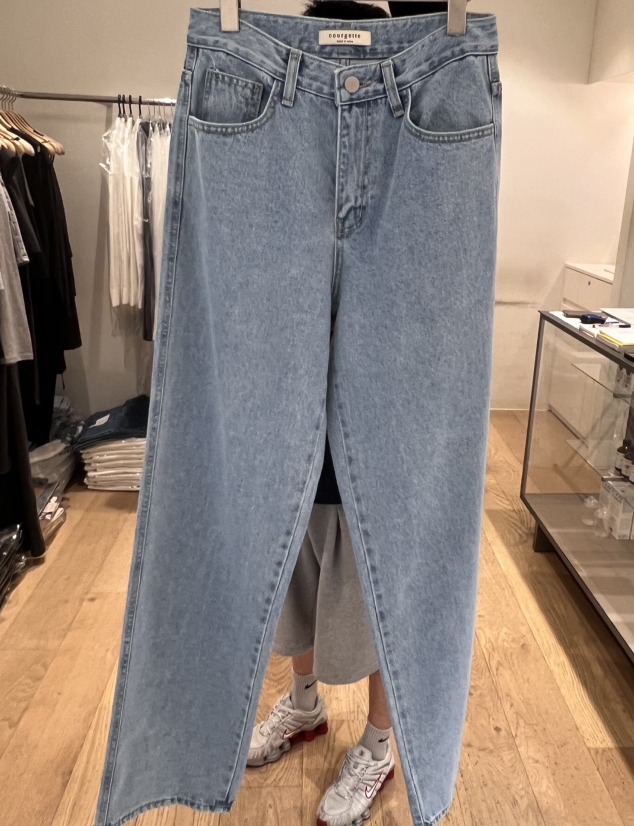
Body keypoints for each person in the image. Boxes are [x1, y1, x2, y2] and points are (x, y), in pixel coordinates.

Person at [246, 8, 405, 825]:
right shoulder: (287, 147)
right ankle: (305, 702)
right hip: (293, 410)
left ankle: (380, 742)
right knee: (294, 560)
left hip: (375, 420)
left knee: (376, 576)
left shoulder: (406, 156)